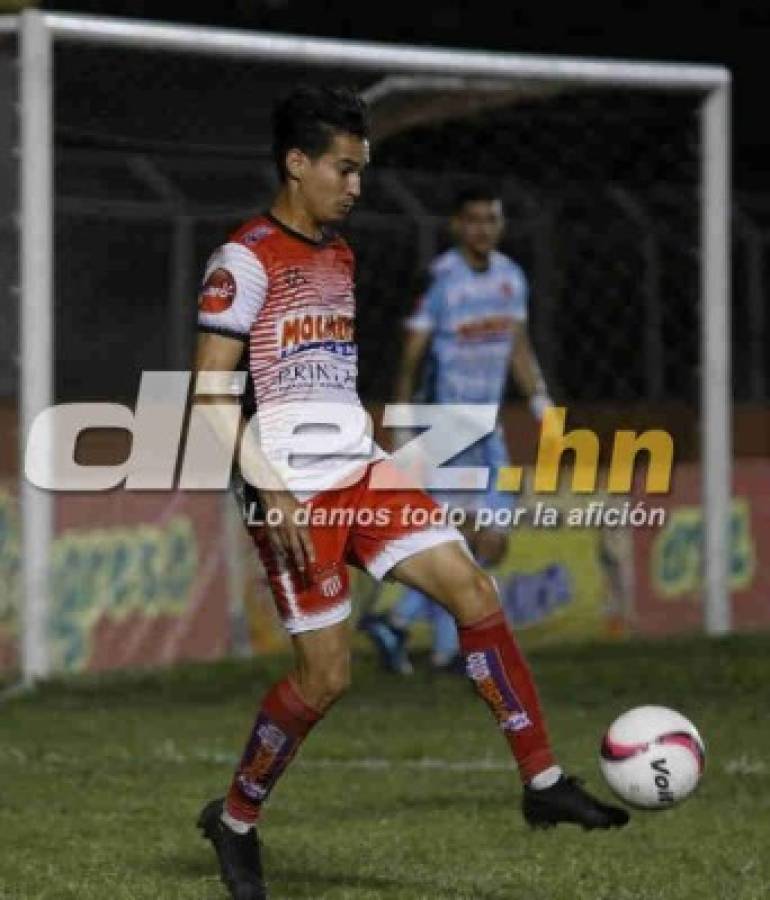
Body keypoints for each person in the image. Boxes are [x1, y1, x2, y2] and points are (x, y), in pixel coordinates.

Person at [193, 85, 628, 900]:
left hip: (360, 471)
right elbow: (211, 395)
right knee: (324, 679)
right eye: (345, 170)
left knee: (471, 585)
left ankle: (542, 783)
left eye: (362, 170)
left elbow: (321, 374)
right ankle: (237, 820)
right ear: (298, 163)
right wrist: (270, 488)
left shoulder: (338, 253)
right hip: (291, 493)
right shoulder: (243, 261)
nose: (357, 187)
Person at [360, 184, 552, 673]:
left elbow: (517, 345)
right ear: (457, 226)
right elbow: (412, 354)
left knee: (487, 539)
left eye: (492, 219)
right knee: (466, 541)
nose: (483, 229)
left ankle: (404, 627)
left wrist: (540, 401)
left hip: (487, 427)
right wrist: (403, 424)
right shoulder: (443, 279)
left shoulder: (511, 278)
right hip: (446, 428)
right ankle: (443, 648)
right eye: (474, 220)